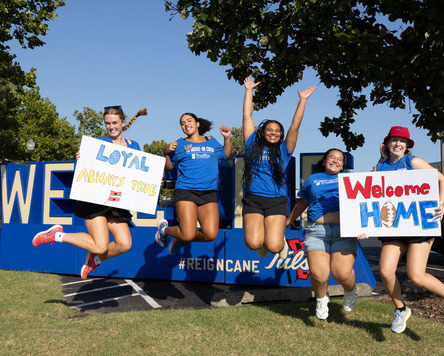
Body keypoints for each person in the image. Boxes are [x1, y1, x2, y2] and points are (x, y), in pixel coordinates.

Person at [358, 126, 444, 333]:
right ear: (387, 144)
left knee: (416, 275)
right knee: (386, 271)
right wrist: (365, 226)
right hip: (394, 228)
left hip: (420, 224)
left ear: (406, 145)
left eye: (402, 141)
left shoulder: (412, 162)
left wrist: (442, 203)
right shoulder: (379, 168)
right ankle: (400, 308)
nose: (398, 144)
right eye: (394, 140)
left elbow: (442, 180)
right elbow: (372, 200)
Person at [32, 106, 146, 279]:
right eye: (107, 123)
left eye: (114, 123)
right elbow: (84, 174)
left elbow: (139, 174)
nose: (111, 127)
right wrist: (81, 159)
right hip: (95, 200)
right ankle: (56, 235)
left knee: (124, 244)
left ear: (123, 122)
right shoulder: (97, 144)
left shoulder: (135, 146)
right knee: (100, 245)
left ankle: (95, 260)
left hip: (117, 202)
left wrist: (152, 178)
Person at [242, 76, 315, 259]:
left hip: (276, 201)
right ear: (263, 132)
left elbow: (295, 126)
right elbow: (247, 116)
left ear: (280, 134)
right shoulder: (251, 144)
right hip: (254, 200)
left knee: (274, 247)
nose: (273, 133)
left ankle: (276, 240)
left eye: (277, 131)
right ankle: (263, 240)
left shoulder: (284, 150)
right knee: (253, 243)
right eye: (269, 130)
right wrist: (249, 90)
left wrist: (302, 101)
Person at [287, 149, 357, 320]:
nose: (335, 161)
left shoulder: (350, 180)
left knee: (341, 273)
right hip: (316, 231)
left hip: (344, 232)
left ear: (343, 164)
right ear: (325, 160)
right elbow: (303, 201)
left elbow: (366, 201)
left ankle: (350, 291)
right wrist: (289, 220)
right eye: (332, 157)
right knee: (319, 274)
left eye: (340, 159)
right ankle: (321, 299)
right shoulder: (313, 179)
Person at [155, 113, 231, 253]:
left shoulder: (211, 141)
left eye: (189, 121)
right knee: (188, 233)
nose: (186, 124)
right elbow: (169, 167)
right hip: (186, 191)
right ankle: (165, 230)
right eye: (182, 123)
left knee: (210, 234)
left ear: (197, 124)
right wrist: (166, 153)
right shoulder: (179, 144)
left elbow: (226, 155)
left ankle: (183, 237)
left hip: (208, 192)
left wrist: (226, 138)